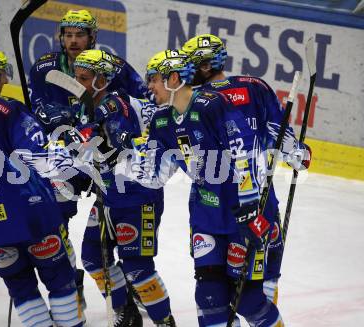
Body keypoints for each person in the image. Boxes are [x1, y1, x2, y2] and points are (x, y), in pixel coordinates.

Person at [0, 45, 94, 327]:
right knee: (61, 281)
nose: (5, 80)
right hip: (31, 214)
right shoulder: (6, 109)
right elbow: (41, 157)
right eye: (1, 75)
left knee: (22, 290)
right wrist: (79, 159)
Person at [143, 49, 286, 326]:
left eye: (154, 79)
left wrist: (249, 208)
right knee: (209, 296)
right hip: (206, 215)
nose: (149, 86)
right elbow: (154, 177)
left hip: (242, 214)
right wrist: (121, 155)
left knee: (247, 298)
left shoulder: (213, 105)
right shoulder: (162, 121)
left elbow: (245, 153)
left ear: (173, 78)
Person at [28, 8, 151, 315]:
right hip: (68, 156)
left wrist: (119, 128)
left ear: (93, 37)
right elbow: (34, 108)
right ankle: (71, 281)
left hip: (107, 153)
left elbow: (146, 102)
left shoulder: (113, 68)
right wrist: (48, 117)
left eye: (79, 34)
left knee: (120, 227)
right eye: (67, 35)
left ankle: (129, 286)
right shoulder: (45, 68)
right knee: (55, 215)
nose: (72, 41)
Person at [182, 34, 311, 307]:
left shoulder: (202, 102)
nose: (184, 71)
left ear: (205, 65)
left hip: (226, 210)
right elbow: (278, 131)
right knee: (259, 294)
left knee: (241, 297)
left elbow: (215, 159)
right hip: (259, 206)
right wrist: (296, 152)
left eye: (190, 64)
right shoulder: (255, 86)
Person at [66, 49, 176, 327]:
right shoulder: (89, 106)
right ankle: (126, 311)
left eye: (85, 78)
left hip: (138, 196)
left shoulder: (114, 105)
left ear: (102, 80)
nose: (78, 83)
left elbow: (120, 143)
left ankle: (164, 321)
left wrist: (84, 142)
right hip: (110, 194)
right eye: (76, 76)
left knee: (137, 266)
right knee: (92, 257)